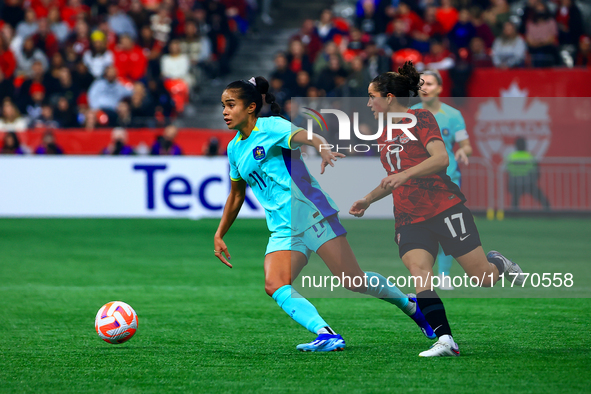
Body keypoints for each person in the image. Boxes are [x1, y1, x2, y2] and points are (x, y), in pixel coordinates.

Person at [214, 76, 435, 353]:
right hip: (283, 229)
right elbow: (236, 194)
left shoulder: (272, 127)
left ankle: (410, 304)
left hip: (312, 215)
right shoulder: (235, 148)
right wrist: (220, 232)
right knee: (274, 284)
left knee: (354, 281)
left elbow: (308, 136)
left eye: (230, 104)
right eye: (223, 105)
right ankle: (326, 333)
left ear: (251, 107)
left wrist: (322, 146)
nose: (224, 111)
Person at [349, 62, 524, 357]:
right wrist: (367, 199)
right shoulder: (383, 134)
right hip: (408, 216)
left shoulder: (420, 117)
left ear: (389, 98)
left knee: (483, 277)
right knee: (419, 273)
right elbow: (393, 178)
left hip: (444, 206)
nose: (368, 103)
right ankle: (446, 340)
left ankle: (498, 263)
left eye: (372, 96)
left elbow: (441, 159)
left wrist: (405, 175)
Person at [411, 69, 472, 290]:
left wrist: (464, 150)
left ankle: (444, 275)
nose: (424, 88)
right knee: (421, 230)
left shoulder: (453, 115)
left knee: (449, 227)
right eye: (421, 84)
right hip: (418, 181)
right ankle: (423, 276)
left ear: (439, 88)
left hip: (448, 180)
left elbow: (465, 144)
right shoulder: (409, 114)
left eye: (429, 83)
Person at [506, 137, 550, 210]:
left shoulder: (511, 157)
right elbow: (536, 169)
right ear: (525, 145)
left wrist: (508, 183)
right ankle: (549, 212)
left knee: (515, 200)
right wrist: (535, 179)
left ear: (516, 146)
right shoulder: (530, 156)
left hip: (515, 183)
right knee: (541, 197)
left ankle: (514, 214)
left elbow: (508, 171)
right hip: (528, 182)